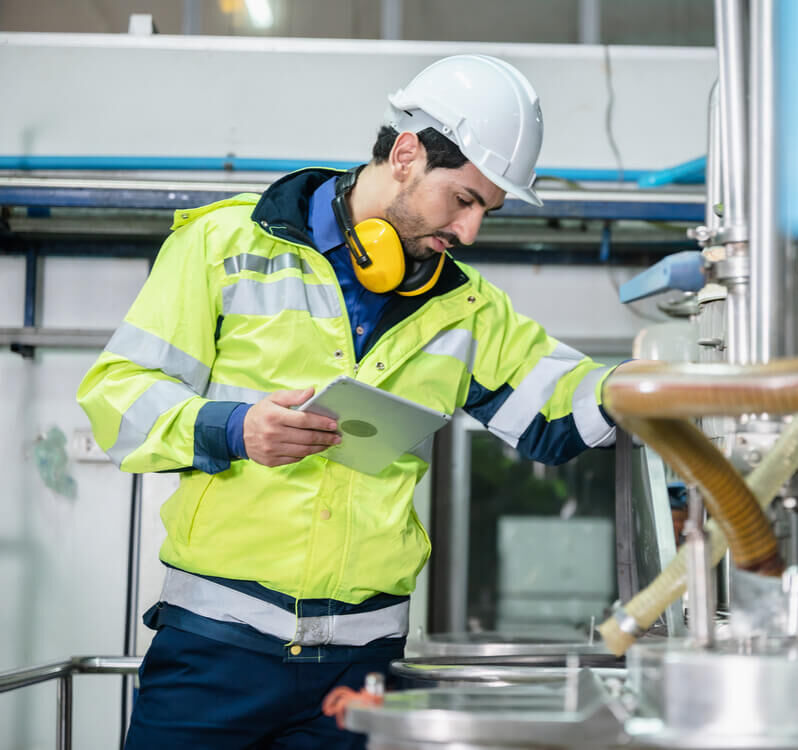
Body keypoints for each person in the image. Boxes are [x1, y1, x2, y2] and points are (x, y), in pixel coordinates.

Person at [77, 54, 617, 749]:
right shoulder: (225, 245)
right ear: (405, 153)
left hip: (363, 670)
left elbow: (557, 413)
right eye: (463, 199)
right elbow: (116, 398)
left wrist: (648, 385)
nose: (471, 233)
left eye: (488, 209)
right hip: (214, 654)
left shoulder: (468, 310)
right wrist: (234, 428)